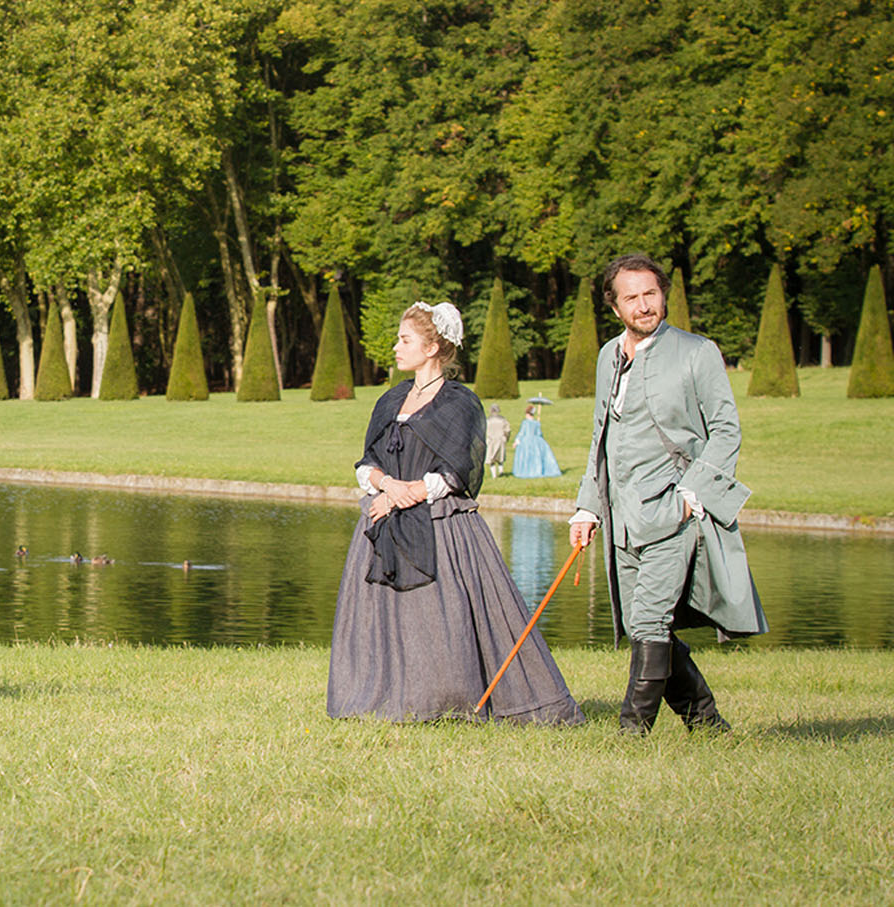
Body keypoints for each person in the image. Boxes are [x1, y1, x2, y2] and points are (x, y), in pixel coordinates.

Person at [328, 301, 582, 725]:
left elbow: (457, 472)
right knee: (382, 618)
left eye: (404, 340)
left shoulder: (459, 403)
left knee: (441, 618)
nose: (396, 347)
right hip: (382, 521)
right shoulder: (391, 399)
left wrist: (404, 493)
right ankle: (380, 698)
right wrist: (387, 487)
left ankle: (448, 700)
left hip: (441, 525)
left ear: (431, 348)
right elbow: (366, 462)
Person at [569, 254, 767, 734]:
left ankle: (631, 733)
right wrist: (587, 508)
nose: (644, 305)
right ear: (614, 307)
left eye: (651, 294)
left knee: (650, 623)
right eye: (632, 297)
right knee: (641, 625)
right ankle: (708, 724)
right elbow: (600, 438)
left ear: (663, 295)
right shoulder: (607, 356)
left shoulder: (697, 352)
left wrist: (691, 496)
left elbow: (725, 429)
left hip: (673, 514)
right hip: (621, 520)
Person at [511, 403, 562, 478]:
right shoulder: (537, 423)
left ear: (527, 414)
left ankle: (527, 471)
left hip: (526, 441)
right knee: (536, 457)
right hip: (537, 442)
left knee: (526, 457)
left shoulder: (525, 423)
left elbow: (522, 433)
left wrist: (516, 442)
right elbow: (539, 434)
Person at [484, 404, 512, 478]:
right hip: (500, 440)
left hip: (491, 441)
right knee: (500, 457)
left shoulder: (487, 420)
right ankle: (501, 471)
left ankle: (494, 475)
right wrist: (506, 438)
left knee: (491, 459)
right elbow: (508, 430)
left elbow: (484, 430)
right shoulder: (503, 420)